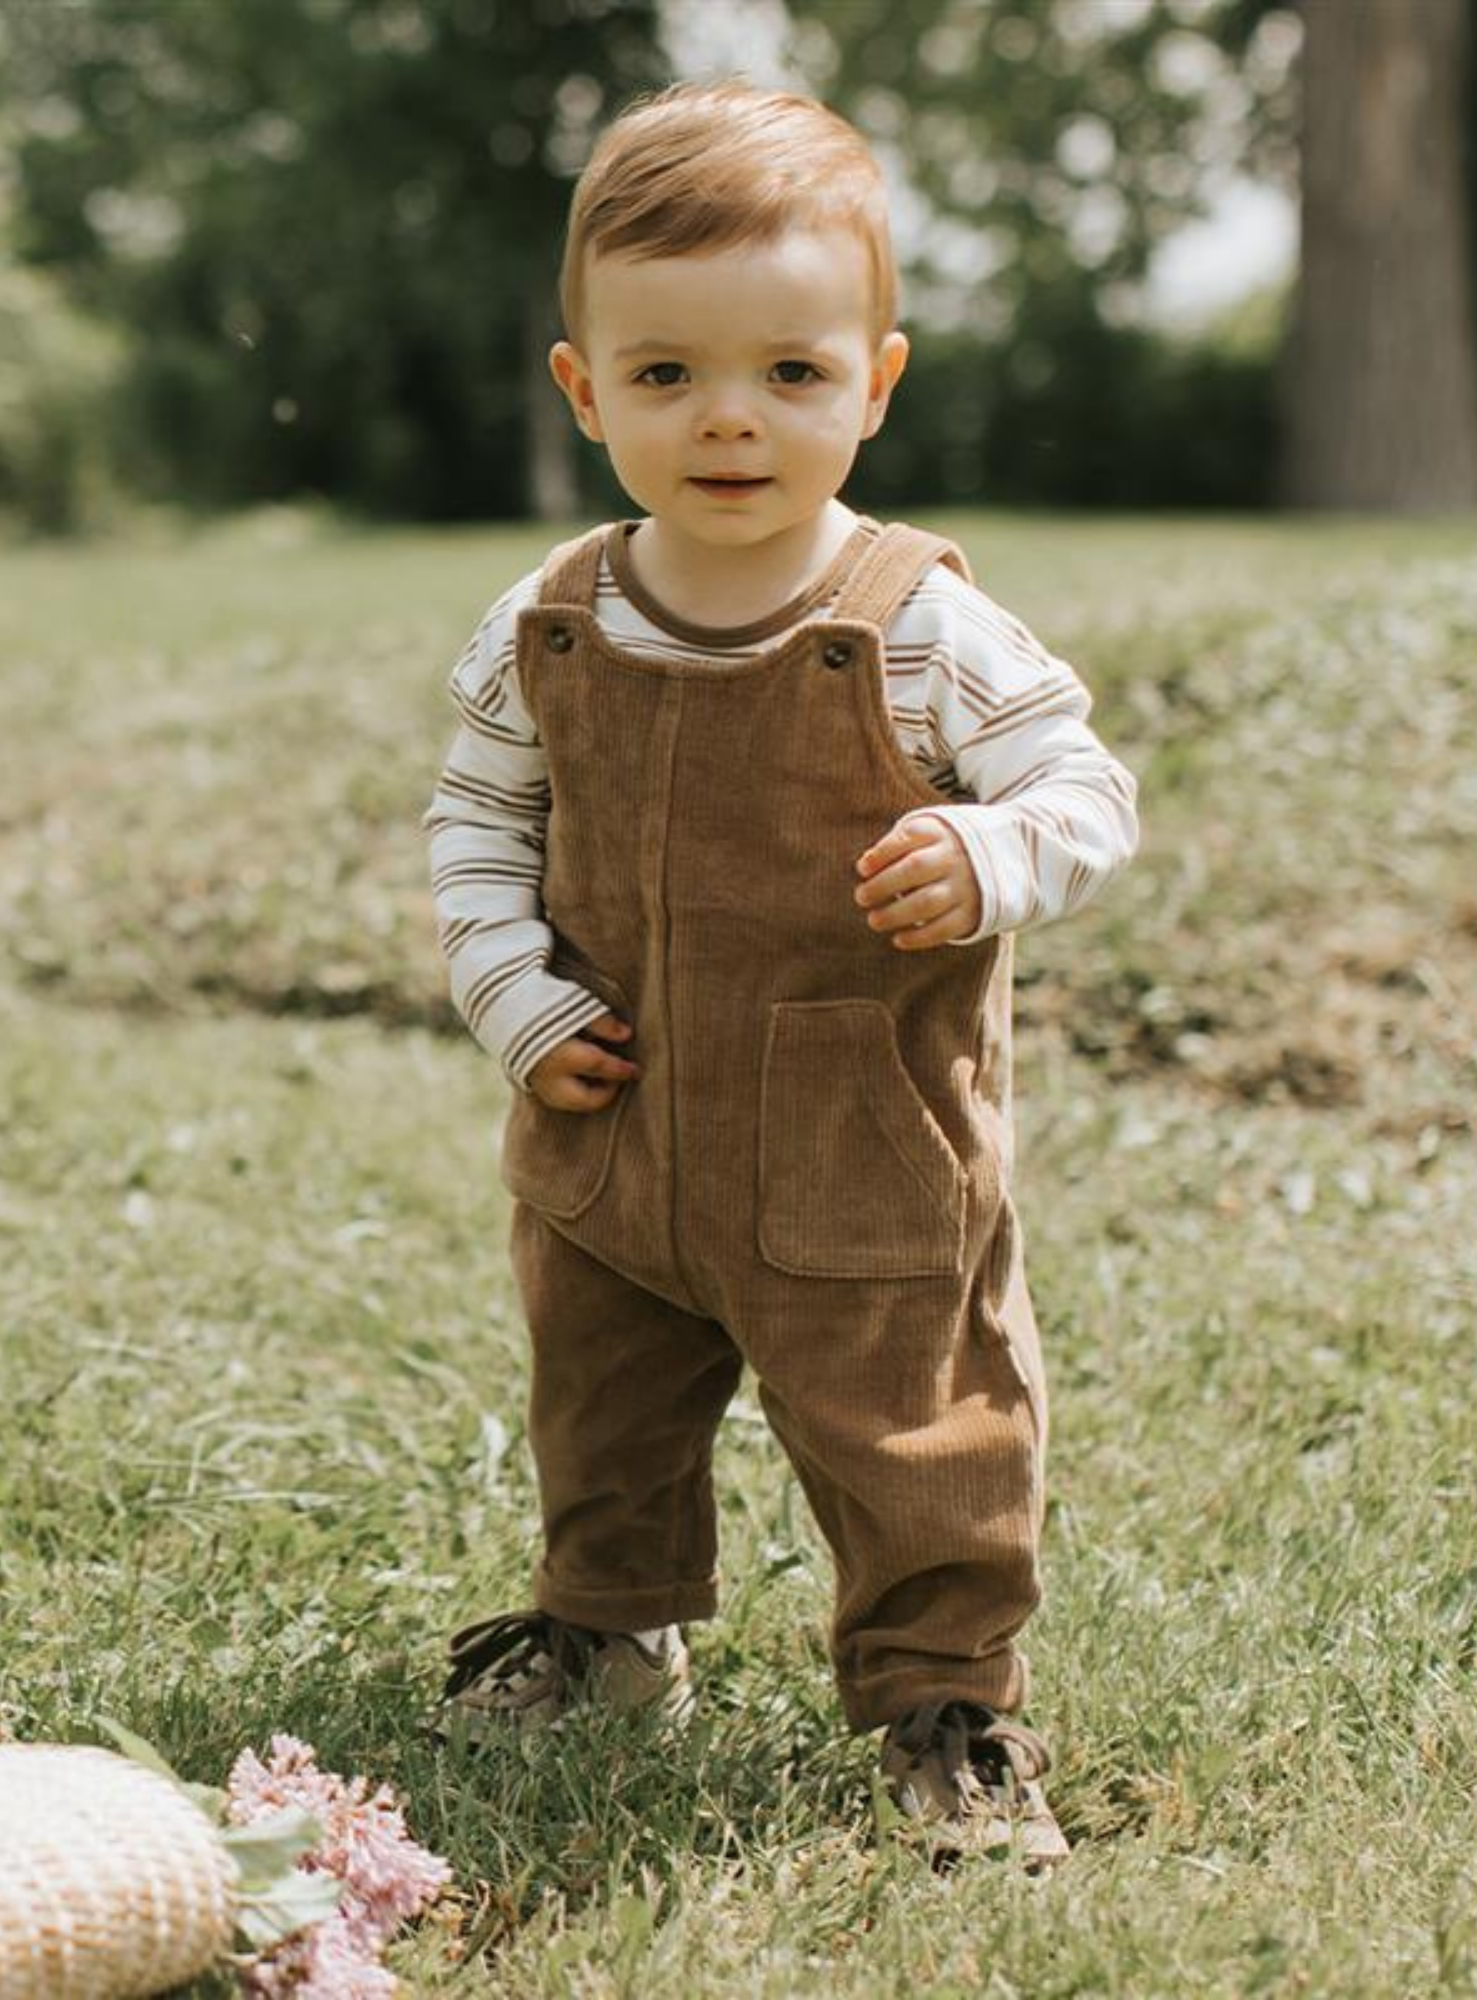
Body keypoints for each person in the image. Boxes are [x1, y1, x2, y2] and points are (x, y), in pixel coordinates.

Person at [421, 79, 1139, 1868]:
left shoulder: (919, 628)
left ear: (875, 384)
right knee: (600, 1407)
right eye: (666, 373)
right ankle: (610, 1627)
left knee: (920, 1430)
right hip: (613, 1123)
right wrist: (516, 997)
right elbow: (477, 826)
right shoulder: (549, 623)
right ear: (586, 389)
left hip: (856, 1148)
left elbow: (1088, 792)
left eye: (791, 373)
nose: (729, 418)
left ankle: (946, 1703)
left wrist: (988, 853)